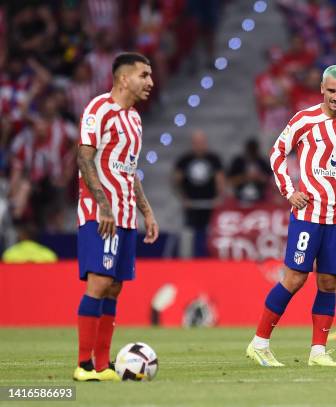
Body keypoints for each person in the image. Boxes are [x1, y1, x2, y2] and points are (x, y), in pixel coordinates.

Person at [246, 65, 336, 367]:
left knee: (329, 282)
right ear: (322, 89)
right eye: (331, 91)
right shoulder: (304, 119)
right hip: (308, 214)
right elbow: (278, 152)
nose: (335, 97)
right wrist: (289, 190)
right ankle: (259, 343)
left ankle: (318, 351)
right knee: (294, 279)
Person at [73, 52, 159, 381]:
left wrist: (147, 211)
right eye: (144, 75)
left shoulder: (135, 119)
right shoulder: (98, 109)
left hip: (125, 217)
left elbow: (130, 172)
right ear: (124, 78)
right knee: (98, 283)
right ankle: (82, 365)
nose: (150, 82)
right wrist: (103, 206)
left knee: (114, 287)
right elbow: (84, 158)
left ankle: (102, 364)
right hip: (101, 215)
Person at [173, 130, 224, 232]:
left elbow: (220, 180)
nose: (199, 145)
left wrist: (219, 197)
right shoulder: (184, 160)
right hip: (191, 203)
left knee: (210, 231)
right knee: (190, 231)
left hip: (210, 203)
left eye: (201, 142)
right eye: (197, 142)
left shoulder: (213, 159)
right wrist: (182, 197)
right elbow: (176, 181)